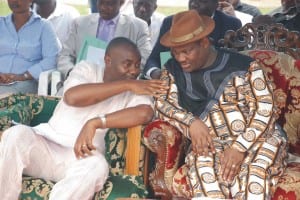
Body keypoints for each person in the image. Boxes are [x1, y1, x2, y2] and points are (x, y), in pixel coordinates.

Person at [0, 37, 167, 199]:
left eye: (137, 65)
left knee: (97, 167)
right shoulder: (87, 69)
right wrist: (127, 84)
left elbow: (144, 112)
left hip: (81, 159)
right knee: (15, 134)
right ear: (108, 60)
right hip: (46, 147)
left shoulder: (136, 89)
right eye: (127, 64)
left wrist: (96, 122)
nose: (134, 71)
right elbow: (73, 97)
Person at [155, 10, 287, 199]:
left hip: (258, 140)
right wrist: (191, 122)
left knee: (253, 180)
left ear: (204, 43)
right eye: (176, 53)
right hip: (209, 145)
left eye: (186, 51)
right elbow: (162, 103)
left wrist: (239, 147)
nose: (181, 58)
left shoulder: (245, 66)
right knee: (207, 185)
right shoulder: (172, 70)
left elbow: (265, 108)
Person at [143, 0, 242, 80]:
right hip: (178, 84)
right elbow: (154, 59)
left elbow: (239, 61)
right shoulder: (172, 22)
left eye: (202, 1)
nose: (194, 4)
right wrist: (156, 73)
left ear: (216, 4)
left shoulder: (231, 24)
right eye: (192, 0)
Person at [57, 0, 152, 80]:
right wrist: (71, 72)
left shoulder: (138, 27)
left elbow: (145, 58)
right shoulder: (80, 23)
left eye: (109, 4)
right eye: (100, 2)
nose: (103, 7)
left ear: (121, 3)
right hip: (80, 80)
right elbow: (64, 55)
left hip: (119, 84)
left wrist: (125, 72)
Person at [0, 0, 60, 95]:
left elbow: (52, 59)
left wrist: (23, 76)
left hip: (26, 82)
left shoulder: (43, 27)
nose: (15, 1)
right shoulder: (1, 23)